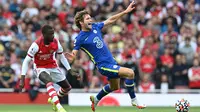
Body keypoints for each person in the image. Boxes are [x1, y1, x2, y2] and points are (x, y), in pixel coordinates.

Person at [65, 1, 146, 112]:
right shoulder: (80, 38)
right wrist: (71, 57)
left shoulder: (95, 27)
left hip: (111, 61)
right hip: (103, 65)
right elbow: (73, 54)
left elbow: (110, 20)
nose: (91, 20)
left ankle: (96, 99)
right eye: (88, 18)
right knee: (130, 73)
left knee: (114, 87)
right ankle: (134, 99)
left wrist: (125, 11)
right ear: (81, 22)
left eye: (90, 18)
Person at [19, 25, 79, 112]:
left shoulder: (56, 42)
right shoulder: (36, 45)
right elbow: (26, 61)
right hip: (40, 68)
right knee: (48, 80)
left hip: (53, 66)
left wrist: (69, 69)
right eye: (51, 34)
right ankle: (58, 107)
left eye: (53, 33)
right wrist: (22, 78)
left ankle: (54, 100)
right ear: (44, 35)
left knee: (67, 87)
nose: (53, 36)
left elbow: (61, 57)